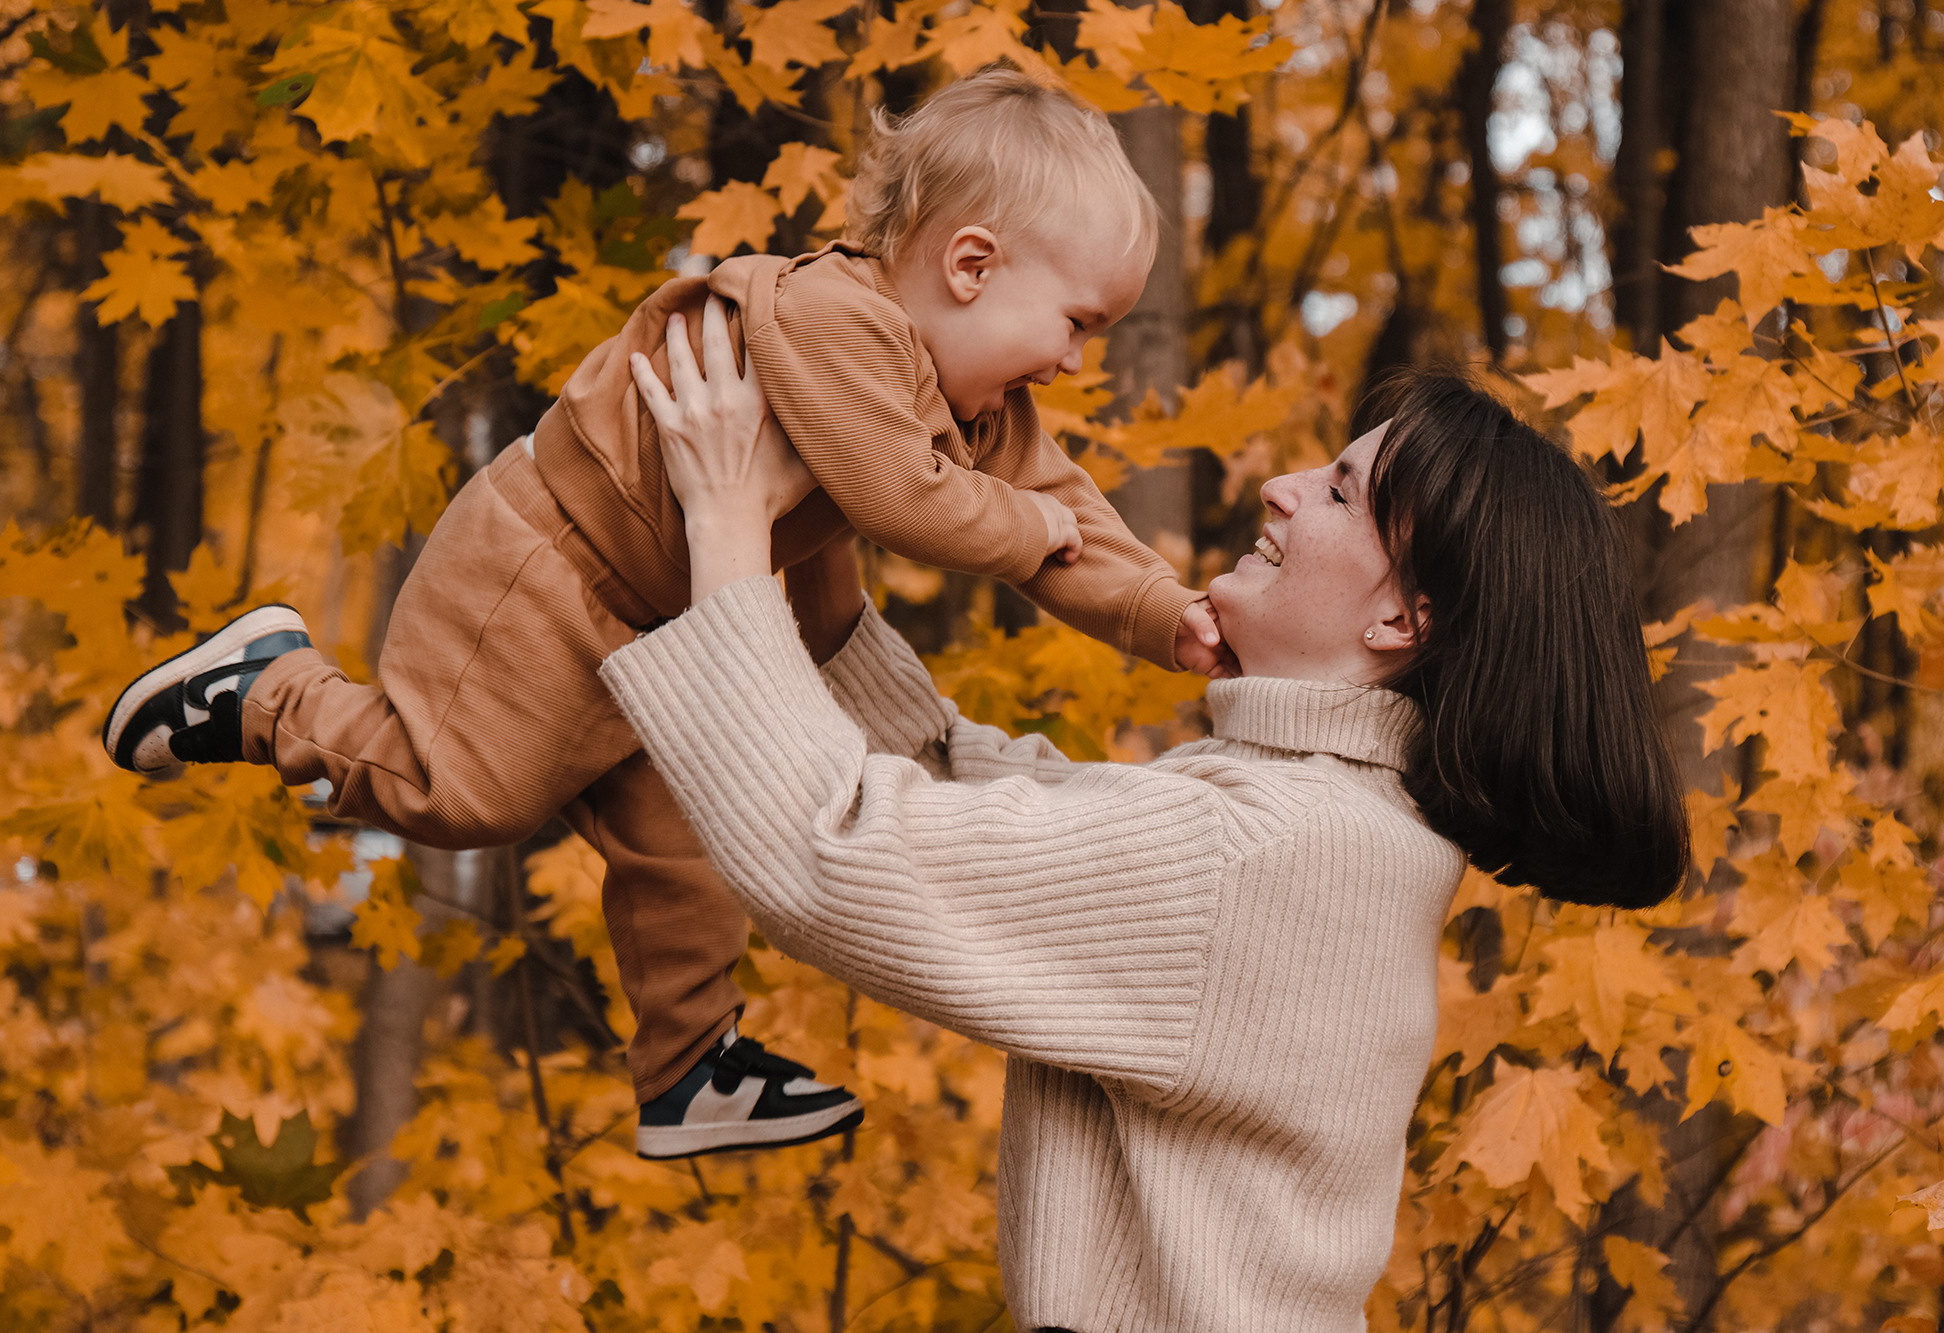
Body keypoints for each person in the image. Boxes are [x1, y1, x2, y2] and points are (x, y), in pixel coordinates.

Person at [99, 69, 1232, 1161]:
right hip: (549, 569)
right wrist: (1028, 533)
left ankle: (690, 1069)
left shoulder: (971, 390)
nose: (1076, 364)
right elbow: (915, 506)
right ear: (971, 265)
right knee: (455, 792)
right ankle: (267, 686)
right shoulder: (835, 318)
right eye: (1076, 323)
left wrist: (1159, 612)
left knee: (694, 840)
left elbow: (1059, 504)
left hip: (664, 628)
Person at [595, 313, 1689, 1331]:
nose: (1278, 486)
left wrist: (728, 525)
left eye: (1341, 493)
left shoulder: (1266, 853)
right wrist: (817, 522)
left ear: (1405, 615)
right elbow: (964, 786)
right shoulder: (1329, 822)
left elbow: (833, 853)